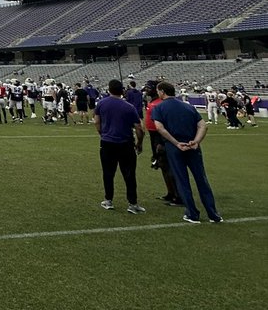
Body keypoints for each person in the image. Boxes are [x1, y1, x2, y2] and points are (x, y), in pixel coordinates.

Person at [151, 81, 223, 224]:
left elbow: (160, 128)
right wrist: (196, 141)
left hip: (175, 147)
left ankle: (192, 214)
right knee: (201, 179)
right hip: (192, 146)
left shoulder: (159, 108)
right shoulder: (188, 106)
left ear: (162, 92)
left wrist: (176, 142)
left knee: (182, 180)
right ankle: (213, 214)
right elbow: (202, 126)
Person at [93, 79, 145, 213]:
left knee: (108, 173)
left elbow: (97, 121)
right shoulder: (129, 107)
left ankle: (108, 200)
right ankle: (132, 203)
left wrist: (102, 134)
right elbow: (139, 127)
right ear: (122, 90)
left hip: (107, 143)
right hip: (125, 143)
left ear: (109, 89)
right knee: (129, 174)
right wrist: (139, 143)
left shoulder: (102, 103)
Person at [143, 82, 182, 206]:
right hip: (154, 136)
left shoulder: (160, 103)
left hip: (161, 137)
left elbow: (164, 124)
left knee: (168, 167)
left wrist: (160, 142)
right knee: (162, 166)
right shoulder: (153, 102)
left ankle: (178, 196)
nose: (146, 91)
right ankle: (170, 193)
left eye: (149, 88)